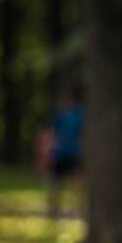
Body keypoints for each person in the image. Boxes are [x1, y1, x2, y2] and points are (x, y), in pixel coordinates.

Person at [36, 87, 84, 219]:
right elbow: (50, 135)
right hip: (60, 155)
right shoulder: (59, 116)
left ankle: (76, 211)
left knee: (75, 184)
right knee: (55, 183)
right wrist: (46, 154)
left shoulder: (80, 115)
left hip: (74, 153)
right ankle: (54, 211)